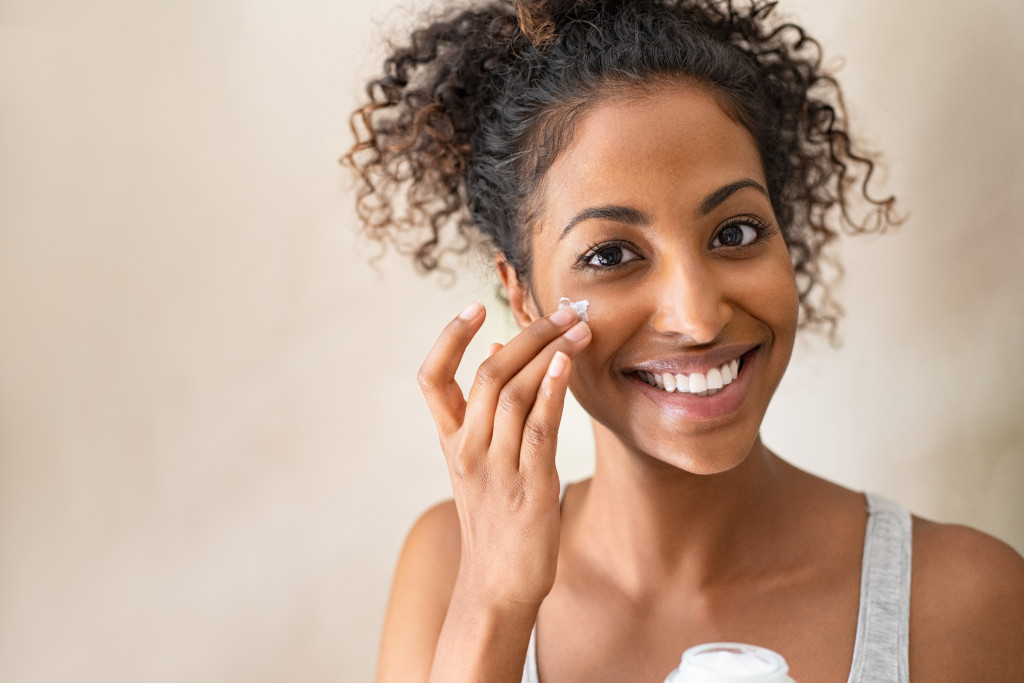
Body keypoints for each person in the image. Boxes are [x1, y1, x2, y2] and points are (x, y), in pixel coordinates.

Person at [343, 1, 1024, 680]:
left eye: (735, 232)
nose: (697, 318)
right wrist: (493, 602)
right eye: (611, 254)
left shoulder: (962, 597)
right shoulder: (449, 566)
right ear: (522, 294)